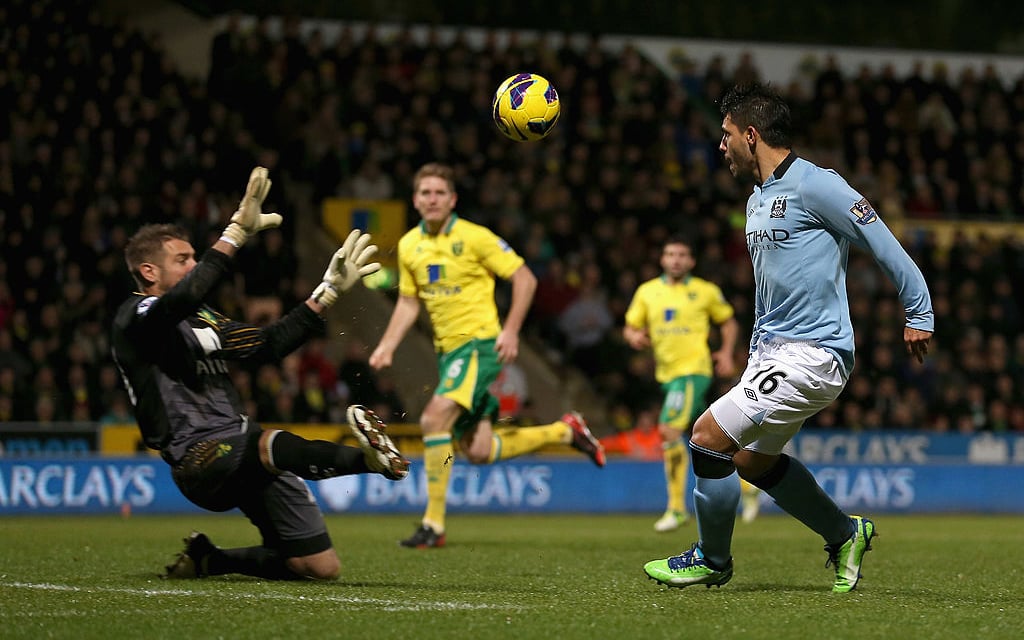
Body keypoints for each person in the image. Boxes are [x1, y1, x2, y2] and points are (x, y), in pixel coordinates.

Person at [643, 84, 933, 593]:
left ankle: (712, 558)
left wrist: (919, 310)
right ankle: (846, 534)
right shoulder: (758, 199)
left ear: (751, 135)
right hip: (773, 353)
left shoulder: (817, 185)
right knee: (752, 461)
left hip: (815, 354)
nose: (721, 145)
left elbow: (882, 241)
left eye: (727, 134)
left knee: (707, 438)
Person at [112, 167, 410, 581]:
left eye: (195, 257)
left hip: (241, 448)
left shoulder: (205, 319)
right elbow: (182, 299)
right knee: (268, 444)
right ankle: (369, 461)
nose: (195, 265)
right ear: (149, 272)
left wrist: (326, 293)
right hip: (200, 459)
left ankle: (210, 559)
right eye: (183, 260)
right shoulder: (137, 317)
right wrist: (235, 231)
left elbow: (268, 345)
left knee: (319, 567)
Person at [369, 162, 605, 549]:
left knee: (433, 419)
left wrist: (511, 330)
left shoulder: (475, 237)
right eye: (425, 192)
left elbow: (525, 278)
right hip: (449, 353)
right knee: (478, 451)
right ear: (414, 199)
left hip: (478, 345)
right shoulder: (410, 245)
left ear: (452, 200)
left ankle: (433, 524)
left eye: (439, 193)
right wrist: (387, 345)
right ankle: (565, 431)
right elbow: (409, 303)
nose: (431, 199)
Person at [623, 237, 762, 532]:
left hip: (693, 371)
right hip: (667, 375)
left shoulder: (705, 292)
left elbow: (728, 321)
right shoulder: (647, 292)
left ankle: (675, 509)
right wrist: (633, 336)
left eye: (682, 255)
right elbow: (631, 326)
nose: (676, 259)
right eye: (670, 254)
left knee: (668, 430)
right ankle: (749, 489)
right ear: (662, 259)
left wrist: (725, 352)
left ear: (691, 262)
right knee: (714, 440)